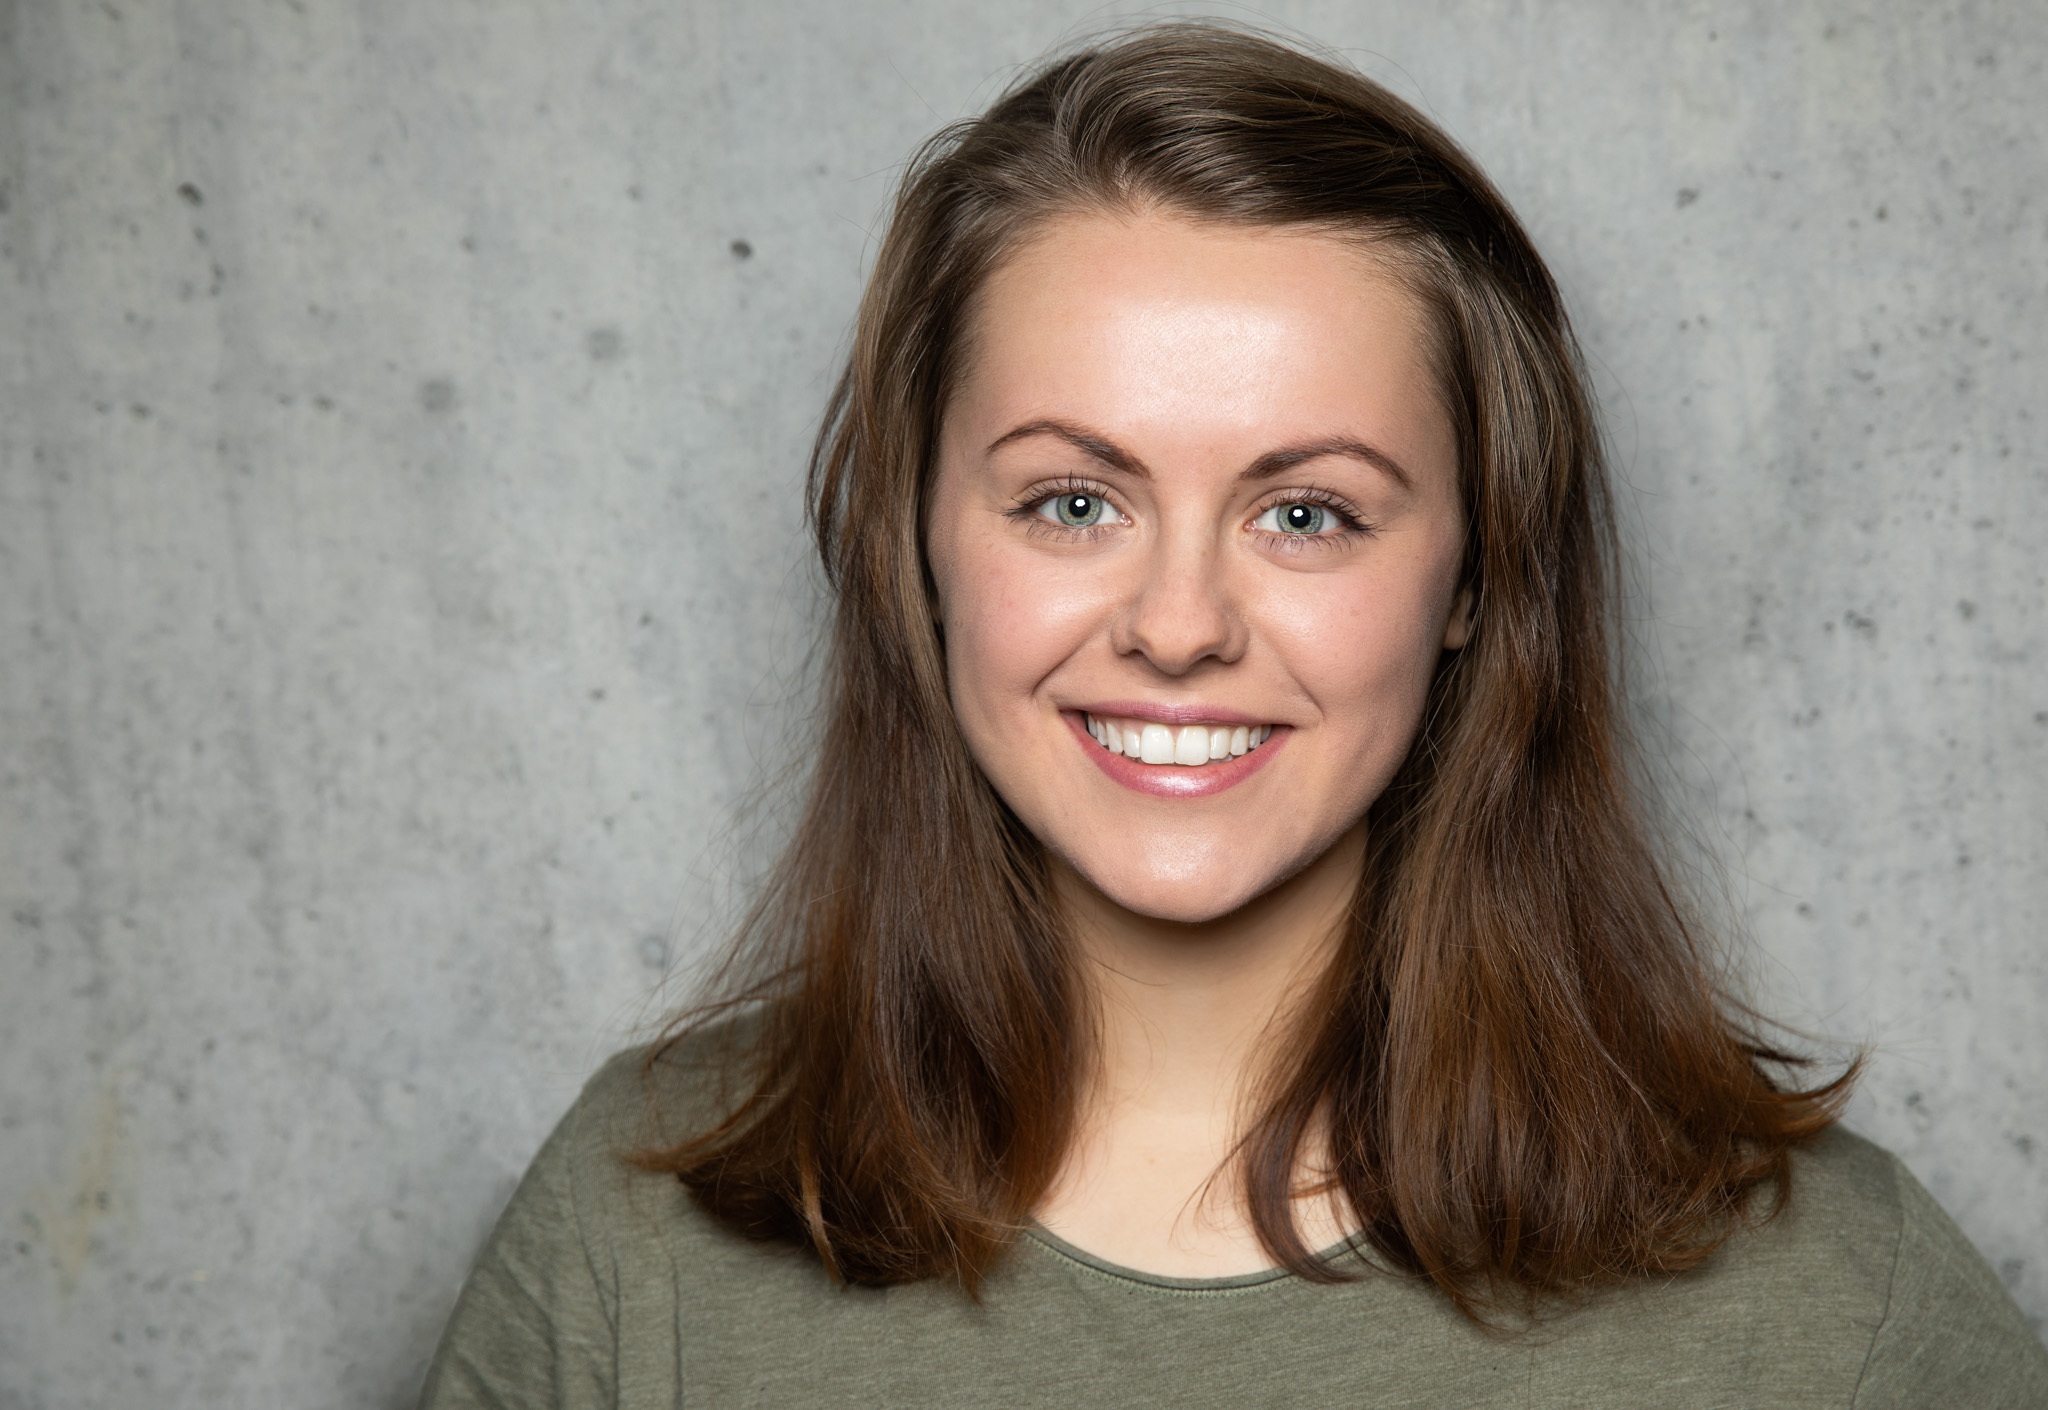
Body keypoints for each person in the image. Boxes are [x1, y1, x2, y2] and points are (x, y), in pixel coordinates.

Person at [418, 24, 2048, 1408]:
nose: (1181, 624)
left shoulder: (1839, 1313)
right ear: (919, 548)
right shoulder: (636, 1245)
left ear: (1476, 575)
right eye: (1071, 502)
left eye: (1308, 513)